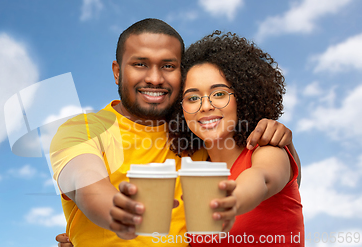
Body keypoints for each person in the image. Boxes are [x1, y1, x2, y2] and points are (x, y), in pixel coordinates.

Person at [51, 19, 300, 247]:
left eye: (168, 66)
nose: (155, 78)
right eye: (140, 64)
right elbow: (84, 181)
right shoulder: (84, 130)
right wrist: (117, 212)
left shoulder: (197, 143)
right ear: (117, 71)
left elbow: (270, 179)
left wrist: (284, 143)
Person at [168, 30, 304, 246]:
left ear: (243, 96)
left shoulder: (267, 149)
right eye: (193, 97)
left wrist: (233, 200)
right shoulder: (195, 174)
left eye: (219, 93)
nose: (205, 106)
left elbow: (262, 178)